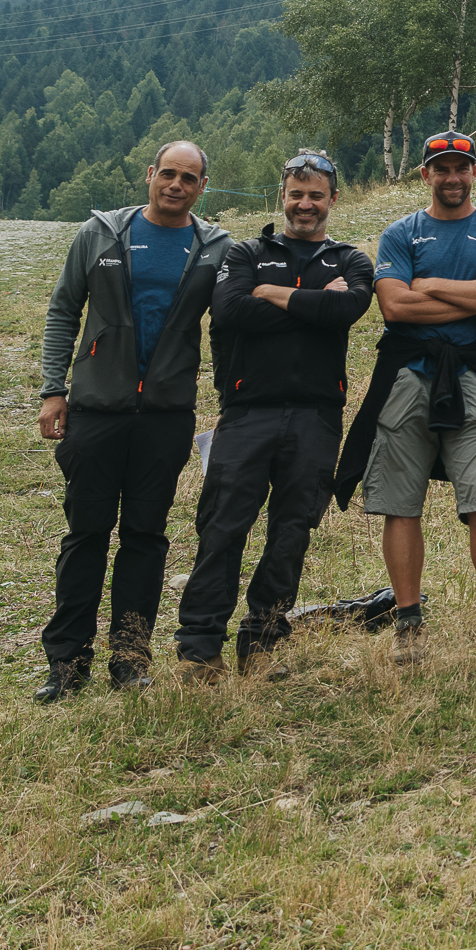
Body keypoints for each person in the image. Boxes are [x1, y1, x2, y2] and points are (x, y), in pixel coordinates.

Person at [33, 141, 230, 701]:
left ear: (202, 187)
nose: (176, 185)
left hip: (166, 417)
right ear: (150, 174)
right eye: (168, 173)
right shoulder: (100, 234)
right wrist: (53, 390)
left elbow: (231, 326)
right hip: (96, 410)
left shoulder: (214, 248)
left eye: (188, 178)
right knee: (86, 535)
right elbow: (63, 309)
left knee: (145, 537)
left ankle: (130, 659)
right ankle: (67, 664)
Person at [331, 132, 476, 662]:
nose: (452, 177)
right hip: (407, 377)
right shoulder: (401, 233)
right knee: (401, 503)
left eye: (462, 168)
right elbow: (395, 308)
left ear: (475, 173)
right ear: (425, 175)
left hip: (473, 377)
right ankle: (408, 623)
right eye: (441, 169)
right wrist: (475, 296)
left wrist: (426, 284)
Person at [176, 150, 375, 680]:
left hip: (317, 416)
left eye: (316, 196)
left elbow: (346, 309)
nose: (305, 204)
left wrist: (273, 295)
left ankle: (261, 643)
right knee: (222, 527)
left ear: (333, 199)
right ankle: (200, 648)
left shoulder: (352, 261)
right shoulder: (245, 253)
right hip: (247, 413)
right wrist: (312, 303)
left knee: (292, 532)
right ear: (282, 196)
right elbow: (231, 311)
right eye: (296, 194)